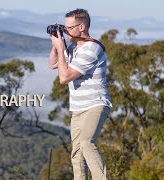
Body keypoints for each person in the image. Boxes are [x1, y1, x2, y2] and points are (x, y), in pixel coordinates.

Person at [48, 8, 112, 180]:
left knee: (86, 143)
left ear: (82, 27)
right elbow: (53, 63)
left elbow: (64, 77)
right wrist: (57, 46)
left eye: (69, 27)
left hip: (95, 105)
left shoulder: (92, 49)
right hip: (77, 109)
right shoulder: (73, 48)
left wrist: (62, 47)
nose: (66, 30)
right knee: (76, 153)